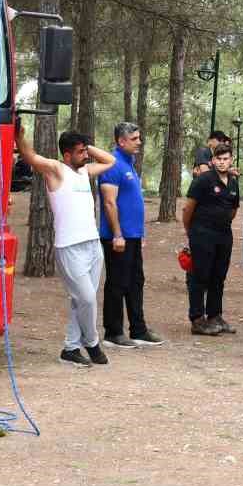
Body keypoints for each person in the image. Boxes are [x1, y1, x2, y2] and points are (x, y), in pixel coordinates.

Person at [15, 120, 118, 366]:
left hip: (92, 245)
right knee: (86, 299)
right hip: (69, 247)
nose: (85, 155)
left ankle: (70, 348)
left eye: (86, 151)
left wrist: (88, 147)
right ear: (67, 153)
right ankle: (92, 343)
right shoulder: (56, 170)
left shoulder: (84, 171)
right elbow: (30, 157)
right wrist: (19, 136)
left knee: (81, 299)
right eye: (80, 151)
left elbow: (109, 161)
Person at [97, 122, 164, 348]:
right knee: (117, 283)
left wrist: (139, 233)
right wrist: (117, 234)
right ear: (121, 141)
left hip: (132, 236)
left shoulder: (130, 164)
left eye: (139, 137)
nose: (139, 142)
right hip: (117, 237)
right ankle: (113, 332)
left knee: (136, 281)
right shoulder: (112, 165)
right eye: (134, 139)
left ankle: (139, 329)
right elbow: (109, 202)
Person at [181, 143, 241, 336]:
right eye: (219, 159)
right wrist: (191, 231)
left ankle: (214, 315)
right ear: (213, 160)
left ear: (231, 160)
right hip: (202, 234)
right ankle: (197, 319)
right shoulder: (204, 180)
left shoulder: (233, 182)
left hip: (224, 235)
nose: (222, 162)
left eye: (226, 159)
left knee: (218, 276)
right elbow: (188, 208)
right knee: (200, 276)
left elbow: (233, 209)